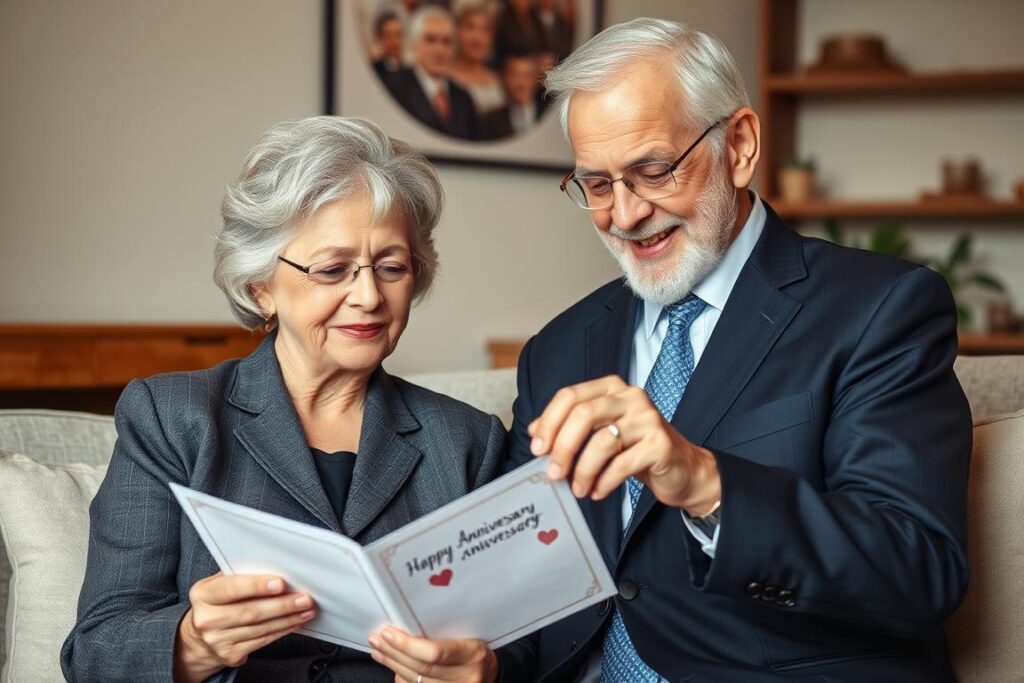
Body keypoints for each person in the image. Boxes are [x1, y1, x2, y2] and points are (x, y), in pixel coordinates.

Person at [508, 18, 972, 682]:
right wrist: (480, 659)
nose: (626, 215)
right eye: (599, 185)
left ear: (741, 145)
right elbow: (524, 574)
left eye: (653, 170)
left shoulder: (881, 309)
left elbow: (919, 568)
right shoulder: (554, 351)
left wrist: (704, 481)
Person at [60, 116, 532, 682]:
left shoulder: (468, 440)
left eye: (391, 267)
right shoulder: (173, 418)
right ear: (260, 286)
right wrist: (193, 642)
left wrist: (485, 669)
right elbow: (96, 650)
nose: (368, 296)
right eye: (333, 269)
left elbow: (524, 640)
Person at [384, 6, 481, 140]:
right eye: (430, 40)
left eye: (447, 42)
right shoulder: (394, 88)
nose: (440, 50)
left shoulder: (464, 98)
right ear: (414, 44)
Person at [450, 3, 507, 118]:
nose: (477, 38)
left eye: (485, 30)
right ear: (456, 31)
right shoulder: (444, 78)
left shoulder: (497, 80)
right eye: (469, 27)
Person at [483, 52, 547, 139]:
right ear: (503, 78)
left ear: (536, 79)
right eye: (514, 75)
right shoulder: (490, 121)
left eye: (527, 76)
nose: (521, 84)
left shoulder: (549, 116)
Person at [371, 10, 405, 80]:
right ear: (379, 39)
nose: (395, 42)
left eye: (398, 35)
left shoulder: (411, 71)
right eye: (389, 36)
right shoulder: (373, 70)